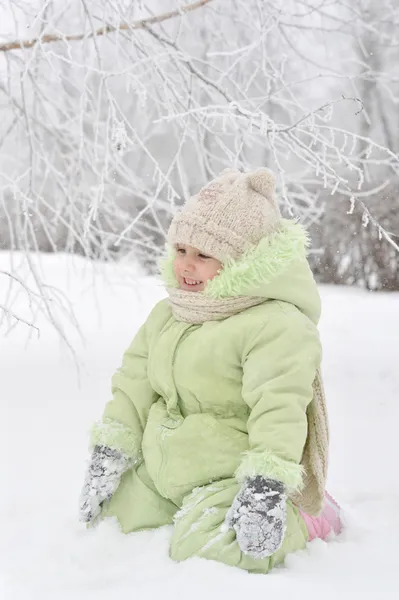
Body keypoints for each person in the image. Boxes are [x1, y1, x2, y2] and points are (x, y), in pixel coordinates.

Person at [79, 167, 342, 573]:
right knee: (113, 522)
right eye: (181, 249)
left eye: (204, 255)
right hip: (162, 469)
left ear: (244, 260)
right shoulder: (169, 314)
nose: (187, 265)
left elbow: (279, 408)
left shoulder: (275, 325)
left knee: (212, 550)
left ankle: (305, 521)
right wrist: (111, 449)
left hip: (228, 477)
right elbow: (133, 384)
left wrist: (265, 487)